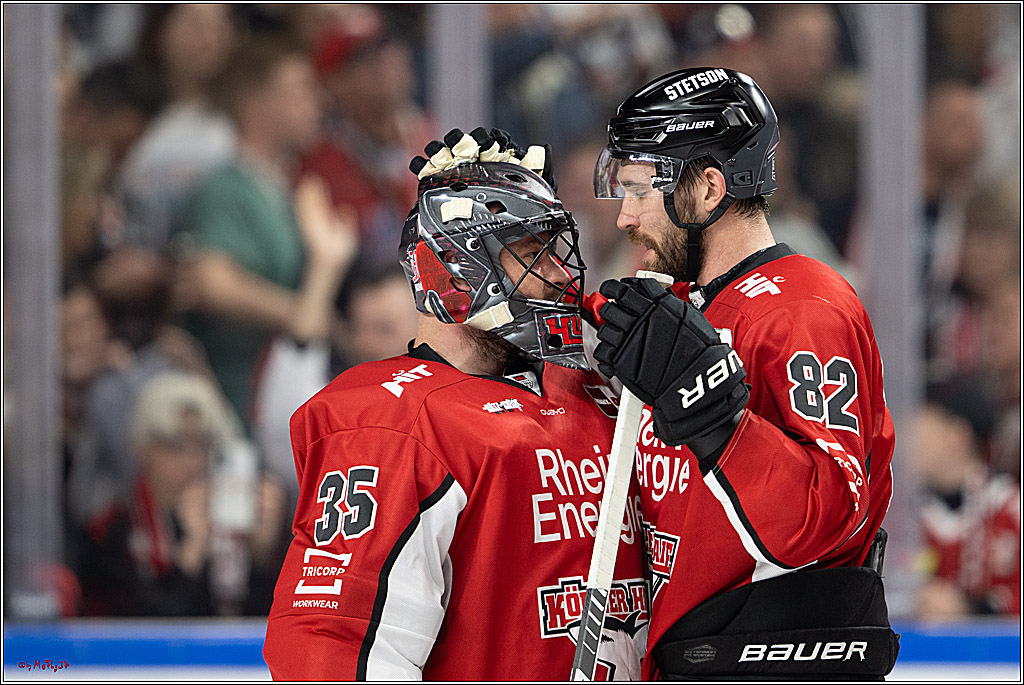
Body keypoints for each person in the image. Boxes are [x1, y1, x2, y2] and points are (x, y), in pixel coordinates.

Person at [263, 130, 648, 680]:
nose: (562, 274)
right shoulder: (394, 421)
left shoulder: (599, 389)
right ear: (454, 273)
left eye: (556, 251)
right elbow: (334, 646)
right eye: (529, 254)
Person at [588, 68, 899, 679]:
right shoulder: (676, 307)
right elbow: (568, 316)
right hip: (686, 655)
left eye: (640, 189)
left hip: (775, 662)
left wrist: (719, 421)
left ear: (708, 189)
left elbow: (827, 514)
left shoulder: (803, 307)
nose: (625, 217)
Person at [77, 371, 289, 617]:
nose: (192, 462)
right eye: (175, 446)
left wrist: (261, 558)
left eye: (202, 445)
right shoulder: (108, 530)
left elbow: (264, 629)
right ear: (140, 447)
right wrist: (190, 556)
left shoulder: (230, 523)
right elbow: (126, 637)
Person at [910, 375, 1020, 619]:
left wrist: (971, 610)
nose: (907, 437)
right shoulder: (899, 513)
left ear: (956, 436)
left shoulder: (1010, 508)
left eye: (921, 424)